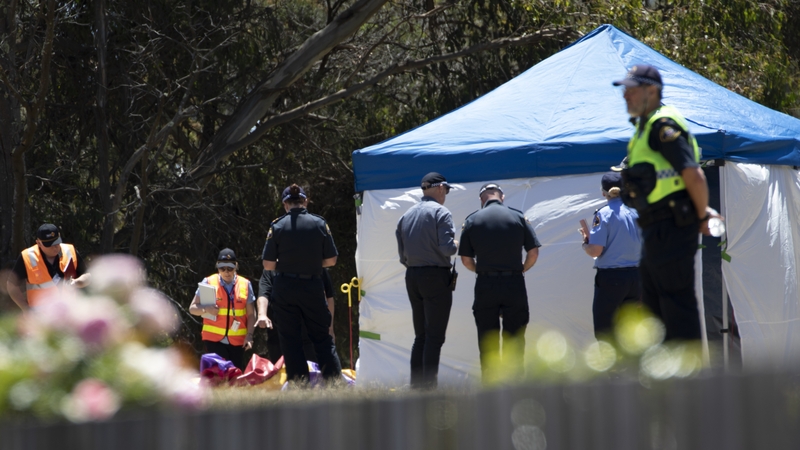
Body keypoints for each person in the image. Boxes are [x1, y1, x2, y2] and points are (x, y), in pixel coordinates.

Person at [612, 64, 722, 341]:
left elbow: (693, 175)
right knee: (654, 308)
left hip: (672, 224)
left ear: (652, 91)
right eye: (625, 90)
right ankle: (663, 376)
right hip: (656, 228)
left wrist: (701, 215)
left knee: (676, 305)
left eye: (632, 90)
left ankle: (690, 379)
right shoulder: (645, 128)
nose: (626, 96)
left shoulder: (663, 126)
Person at [458, 183, 541, 380]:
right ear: (502, 197)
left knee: (488, 339)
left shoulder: (472, 220)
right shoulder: (518, 217)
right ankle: (515, 383)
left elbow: (466, 260)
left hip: (486, 285)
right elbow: (534, 252)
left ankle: (490, 386)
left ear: (482, 199)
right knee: (515, 338)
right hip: (514, 283)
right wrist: (522, 268)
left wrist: (482, 270)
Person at [262, 184, 342, 383]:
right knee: (322, 337)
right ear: (305, 201)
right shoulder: (319, 223)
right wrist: (310, 264)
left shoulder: (277, 226)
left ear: (285, 204)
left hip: (285, 288)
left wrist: (288, 265)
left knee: (290, 340)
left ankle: (300, 385)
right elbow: (332, 260)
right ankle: (333, 383)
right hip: (312, 286)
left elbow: (268, 264)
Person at [395, 172, 458, 389]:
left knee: (420, 336)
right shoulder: (441, 212)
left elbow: (402, 255)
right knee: (434, 337)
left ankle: (416, 387)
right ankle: (429, 390)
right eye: (447, 190)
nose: (446, 194)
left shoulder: (406, 215)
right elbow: (447, 248)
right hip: (435, 276)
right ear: (440, 188)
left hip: (412, 276)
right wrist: (460, 242)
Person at [578, 172, 642, 339]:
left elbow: (596, 251)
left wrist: (586, 244)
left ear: (603, 192)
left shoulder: (603, 214)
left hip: (612, 278)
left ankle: (614, 365)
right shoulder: (637, 211)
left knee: (606, 330)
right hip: (638, 276)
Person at [189, 248, 255, 371]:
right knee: (218, 376)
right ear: (217, 267)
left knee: (234, 376)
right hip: (214, 340)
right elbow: (192, 308)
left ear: (236, 266)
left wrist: (249, 336)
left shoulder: (245, 284)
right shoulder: (208, 282)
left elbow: (251, 314)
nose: (226, 272)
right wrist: (206, 309)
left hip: (237, 341)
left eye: (230, 268)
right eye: (222, 268)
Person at [256, 268, 336, 364]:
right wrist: (262, 314)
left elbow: (329, 297)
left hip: (308, 333)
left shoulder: (315, 265)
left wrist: (330, 328)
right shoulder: (271, 269)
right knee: (280, 375)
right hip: (279, 334)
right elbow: (263, 294)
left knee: (311, 372)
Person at [7, 223, 91, 311]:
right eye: (49, 244)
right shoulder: (27, 256)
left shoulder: (70, 251)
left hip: (69, 312)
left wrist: (77, 282)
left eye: (57, 242)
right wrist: (26, 309)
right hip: (40, 315)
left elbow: (87, 275)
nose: (55, 247)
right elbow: (11, 285)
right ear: (39, 243)